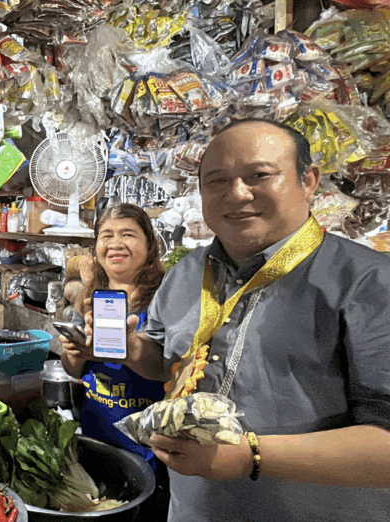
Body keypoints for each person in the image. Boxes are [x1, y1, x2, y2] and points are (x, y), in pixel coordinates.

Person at [84, 118, 390, 521]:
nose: (237, 194)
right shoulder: (187, 272)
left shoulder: (368, 281)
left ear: (309, 181)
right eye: (217, 181)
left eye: (259, 175)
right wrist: (131, 348)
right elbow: (164, 362)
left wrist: (253, 456)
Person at [59, 203, 166, 468]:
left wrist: (127, 350)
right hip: (98, 431)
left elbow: (174, 367)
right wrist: (73, 353)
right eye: (107, 235)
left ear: (149, 244)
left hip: (149, 442)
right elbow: (73, 370)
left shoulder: (165, 297)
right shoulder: (88, 295)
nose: (115, 243)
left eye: (128, 234)